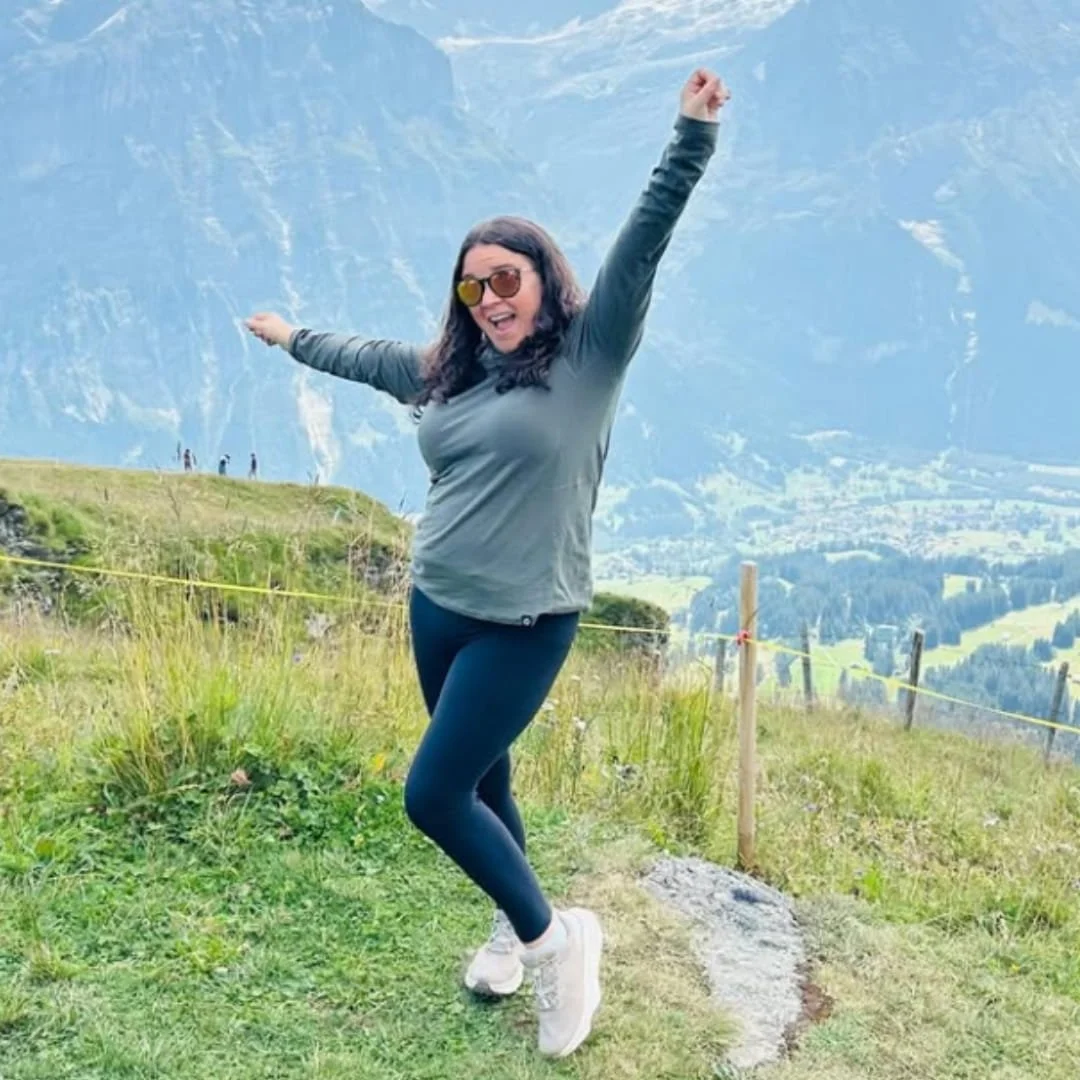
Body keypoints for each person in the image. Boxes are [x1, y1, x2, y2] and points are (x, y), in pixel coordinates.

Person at [245, 68, 728, 1059]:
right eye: (472, 285)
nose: (489, 298)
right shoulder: (447, 370)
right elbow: (367, 355)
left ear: (545, 280)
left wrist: (689, 138)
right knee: (485, 785)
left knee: (432, 795)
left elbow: (644, 240)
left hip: (526, 621)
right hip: (438, 607)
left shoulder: (591, 356)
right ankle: (517, 929)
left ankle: (561, 949)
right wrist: (294, 339)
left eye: (506, 278)